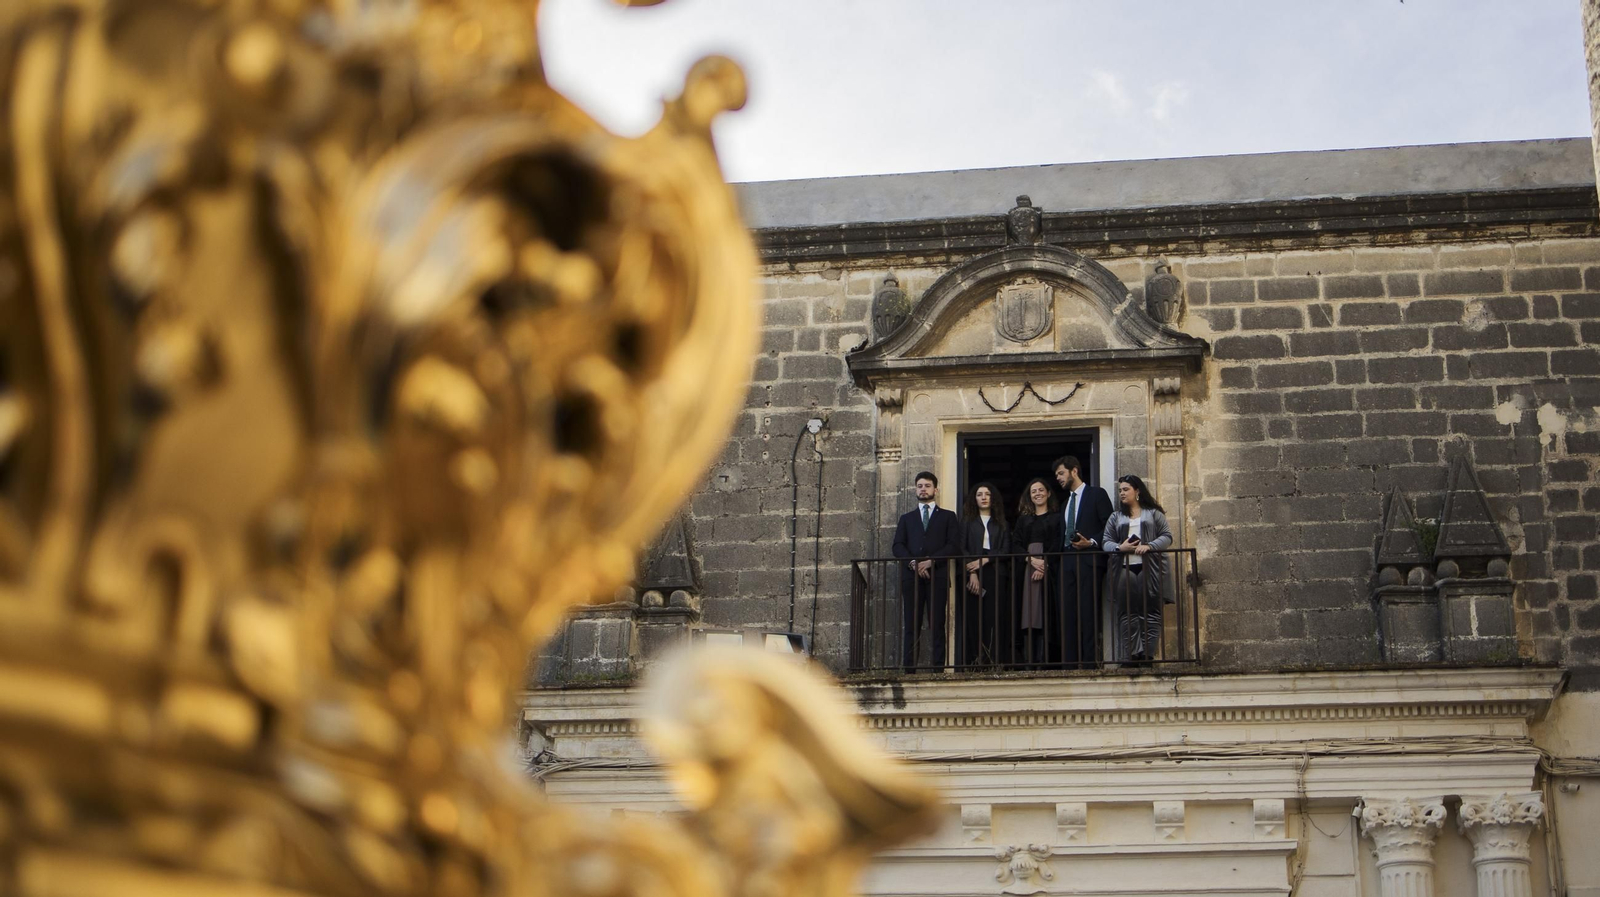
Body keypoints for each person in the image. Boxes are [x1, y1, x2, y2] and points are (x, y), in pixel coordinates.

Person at [892, 471, 962, 671]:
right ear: (916, 489)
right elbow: (897, 546)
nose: (923, 489)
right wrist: (914, 563)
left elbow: (954, 545)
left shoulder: (948, 516)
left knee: (937, 624)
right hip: (911, 577)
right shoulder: (907, 518)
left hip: (937, 576)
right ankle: (909, 670)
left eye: (927, 485)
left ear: (935, 489)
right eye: (920, 486)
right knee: (911, 624)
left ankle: (938, 669)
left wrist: (931, 561)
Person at [1101, 474, 1174, 664]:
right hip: (1124, 569)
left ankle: (1147, 655)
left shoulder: (1154, 513)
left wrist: (1149, 546)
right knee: (1126, 614)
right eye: (1120, 490)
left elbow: (1167, 536)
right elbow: (1106, 542)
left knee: (1151, 612)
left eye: (1126, 489)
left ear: (1137, 491)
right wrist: (1120, 548)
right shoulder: (1116, 516)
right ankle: (1133, 654)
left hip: (1150, 569)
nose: (1122, 493)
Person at [1053, 455, 1114, 668]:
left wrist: (1092, 542)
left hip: (1089, 559)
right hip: (1067, 561)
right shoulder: (1064, 504)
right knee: (1066, 612)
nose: (1058, 478)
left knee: (1088, 612)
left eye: (1061, 473)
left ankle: (1089, 663)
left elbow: (1109, 525)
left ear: (1074, 471)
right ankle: (1069, 664)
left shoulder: (1096, 494)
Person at [1008, 477, 1060, 666]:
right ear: (1029, 497)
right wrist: (1031, 560)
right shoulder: (1024, 520)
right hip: (1027, 570)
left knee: (1045, 613)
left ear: (1048, 493)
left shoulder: (1056, 517)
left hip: (1049, 570)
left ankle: (1044, 659)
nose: (1037, 493)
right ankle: (1029, 659)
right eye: (1033, 491)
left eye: (1040, 490)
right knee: (1028, 614)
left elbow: (1057, 543)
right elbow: (1015, 544)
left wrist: (1044, 565)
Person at [959, 482, 1009, 669]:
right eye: (979, 494)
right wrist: (972, 572)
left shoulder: (1002, 523)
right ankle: (976, 660)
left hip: (996, 573)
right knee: (974, 617)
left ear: (993, 498)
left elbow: (1006, 550)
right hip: (973, 574)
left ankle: (995, 660)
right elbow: (961, 549)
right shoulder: (966, 522)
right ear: (974, 499)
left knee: (995, 617)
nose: (984, 497)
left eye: (987, 494)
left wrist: (986, 560)